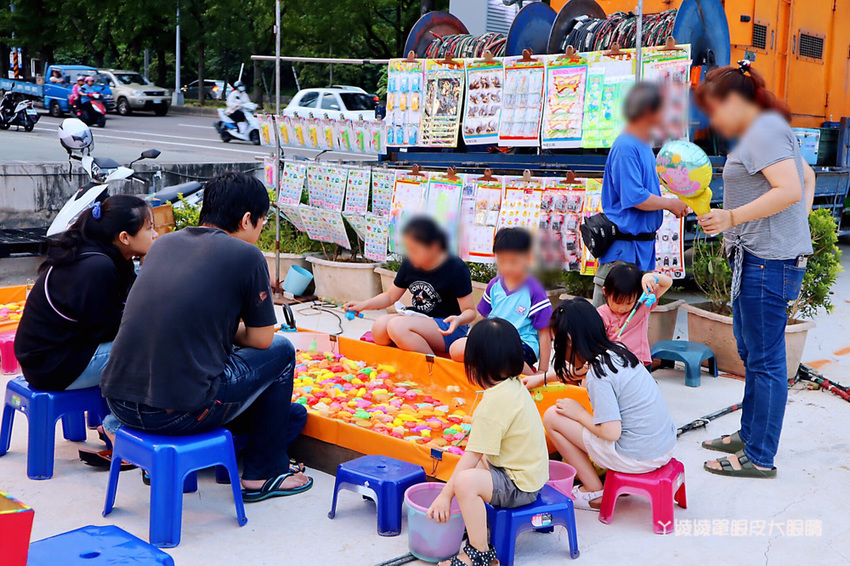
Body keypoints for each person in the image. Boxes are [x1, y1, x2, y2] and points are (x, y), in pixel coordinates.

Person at [100, 172, 311, 501]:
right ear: (246, 220)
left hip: (120, 405)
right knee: (282, 351)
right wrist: (233, 329)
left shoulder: (164, 244)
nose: (260, 230)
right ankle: (263, 471)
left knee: (282, 405)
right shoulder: (247, 256)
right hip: (176, 412)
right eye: (261, 223)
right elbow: (262, 340)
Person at [695, 61, 815, 479]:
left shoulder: (763, 130)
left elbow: (791, 187)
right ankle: (749, 435)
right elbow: (808, 176)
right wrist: (791, 231)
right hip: (759, 258)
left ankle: (760, 456)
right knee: (752, 353)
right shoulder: (758, 131)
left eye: (714, 108)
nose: (712, 118)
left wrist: (734, 219)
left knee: (765, 361)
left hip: (769, 263)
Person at [427, 318, 549, 566]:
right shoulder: (513, 385)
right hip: (529, 474)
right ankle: (476, 525)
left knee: (464, 481)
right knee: (474, 467)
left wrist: (444, 495)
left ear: (474, 365)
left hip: (520, 485)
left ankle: (479, 552)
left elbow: (470, 458)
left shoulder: (492, 404)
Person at [542, 298, 676, 511]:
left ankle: (593, 490)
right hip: (662, 447)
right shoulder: (616, 350)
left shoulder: (599, 372)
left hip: (635, 457)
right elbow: (577, 371)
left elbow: (611, 432)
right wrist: (542, 379)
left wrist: (579, 414)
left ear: (568, 340)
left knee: (551, 416)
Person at [15, 195, 156, 392]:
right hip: (53, 367)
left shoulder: (100, 255)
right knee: (156, 348)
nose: (155, 234)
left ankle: (111, 413)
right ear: (124, 237)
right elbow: (108, 330)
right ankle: (117, 421)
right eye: (149, 228)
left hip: (55, 357)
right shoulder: (96, 267)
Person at [593, 82, 689, 307]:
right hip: (623, 253)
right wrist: (669, 203)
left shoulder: (642, 144)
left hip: (639, 251)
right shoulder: (627, 146)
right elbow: (635, 196)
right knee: (607, 328)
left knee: (633, 324)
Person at [346, 217, 476, 356]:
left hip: (448, 326)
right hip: (420, 318)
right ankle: (407, 356)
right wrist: (363, 305)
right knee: (379, 328)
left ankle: (431, 367)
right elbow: (390, 296)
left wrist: (459, 319)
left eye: (415, 250)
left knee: (397, 326)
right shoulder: (410, 262)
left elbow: (470, 312)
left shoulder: (455, 268)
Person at [449, 227, 552, 375]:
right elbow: (483, 321)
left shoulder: (534, 291)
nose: (507, 267)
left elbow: (544, 333)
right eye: (502, 261)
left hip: (520, 344)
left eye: (513, 262)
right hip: (493, 339)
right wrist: (474, 341)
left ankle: (527, 376)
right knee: (456, 348)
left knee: (502, 355)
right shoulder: (494, 286)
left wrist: (543, 370)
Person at [596, 263, 673, 368]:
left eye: (629, 303)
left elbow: (667, 283)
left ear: (638, 296)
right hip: (613, 365)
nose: (622, 308)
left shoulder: (641, 306)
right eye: (617, 302)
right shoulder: (602, 314)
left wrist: (651, 277)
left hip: (639, 364)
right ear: (605, 292)